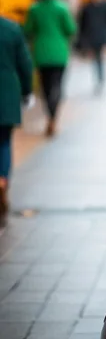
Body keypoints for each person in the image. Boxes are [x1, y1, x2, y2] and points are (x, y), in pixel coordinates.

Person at [24, 0, 77, 137]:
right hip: (60, 53)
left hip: (41, 52)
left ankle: (50, 116)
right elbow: (71, 29)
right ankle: (53, 118)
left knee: (45, 88)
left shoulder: (34, 8)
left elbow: (27, 30)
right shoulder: (62, 8)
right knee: (58, 86)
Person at [0, 15, 33, 226]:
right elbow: (25, 63)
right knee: (3, 142)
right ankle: (2, 181)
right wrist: (27, 91)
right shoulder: (11, 28)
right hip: (6, 94)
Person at [78, 0, 106, 94]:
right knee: (95, 59)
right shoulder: (87, 7)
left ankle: (101, 78)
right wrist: (83, 42)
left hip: (102, 36)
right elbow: (82, 25)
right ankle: (99, 78)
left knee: (100, 59)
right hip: (91, 37)